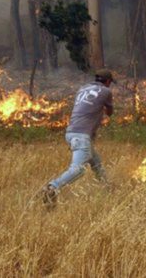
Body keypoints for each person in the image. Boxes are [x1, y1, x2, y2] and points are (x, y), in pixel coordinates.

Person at [43, 68, 115, 206]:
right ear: (107, 81)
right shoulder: (106, 91)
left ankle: (108, 190)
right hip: (81, 136)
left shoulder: (83, 89)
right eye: (110, 82)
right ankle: (52, 187)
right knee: (79, 169)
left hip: (71, 133)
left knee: (96, 163)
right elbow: (110, 112)